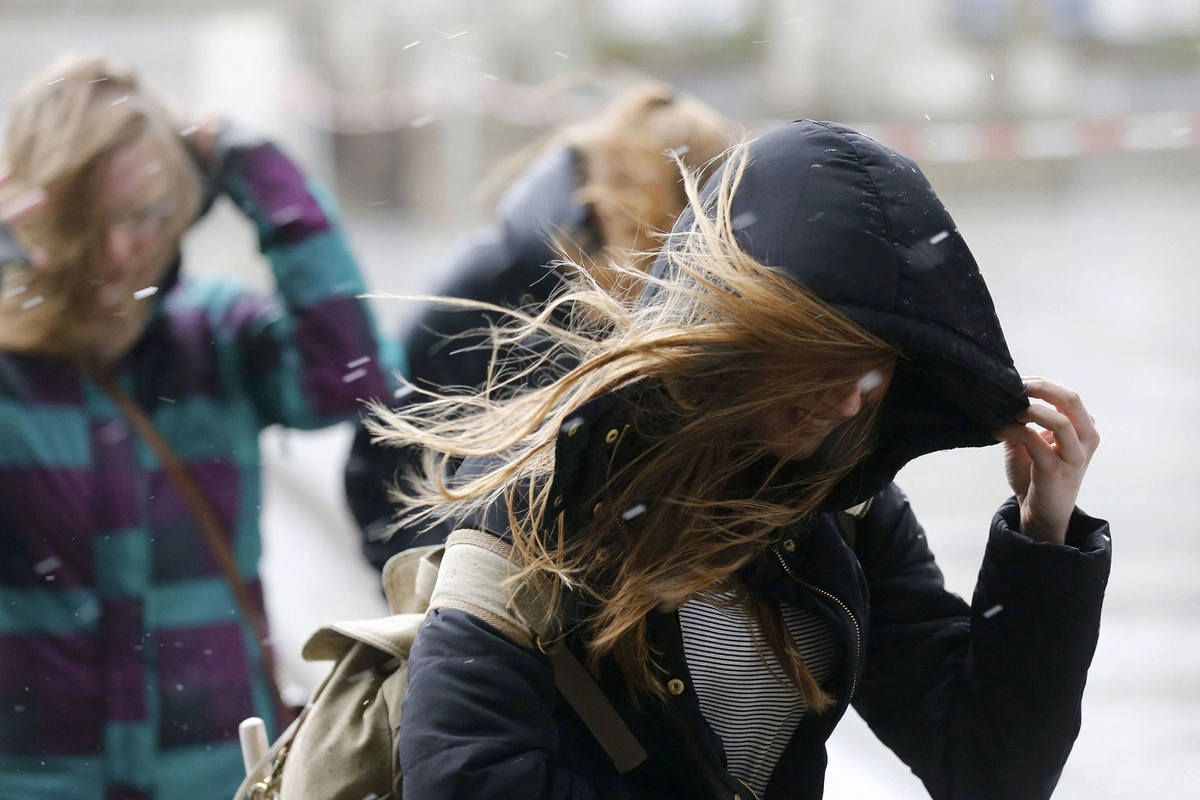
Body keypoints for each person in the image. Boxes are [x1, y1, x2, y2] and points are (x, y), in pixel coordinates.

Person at [372, 120, 1110, 800]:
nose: (845, 401)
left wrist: (1043, 539)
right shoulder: (544, 492)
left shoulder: (847, 508)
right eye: (819, 360)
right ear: (733, 331)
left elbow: (987, 770)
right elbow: (461, 780)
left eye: (873, 368)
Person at [0, 54, 387, 800]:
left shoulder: (215, 336)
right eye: (92, 220)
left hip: (217, 773)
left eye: (146, 217)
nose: (121, 250)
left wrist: (264, 175)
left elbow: (349, 377)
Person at [344, 81, 733, 567]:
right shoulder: (495, 283)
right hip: (480, 587)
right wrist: (456, 583)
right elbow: (387, 460)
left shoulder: (692, 306)